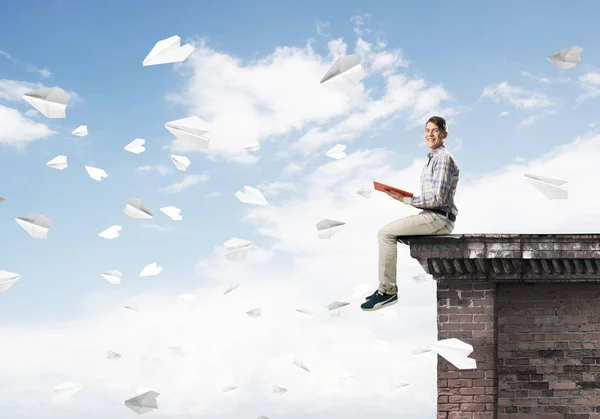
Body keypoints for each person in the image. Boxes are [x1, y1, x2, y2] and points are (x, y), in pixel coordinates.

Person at [361, 116, 459, 311]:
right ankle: (385, 288)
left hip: (439, 217)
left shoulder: (443, 158)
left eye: (435, 130)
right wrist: (403, 196)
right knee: (391, 233)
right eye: (427, 130)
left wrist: (405, 199)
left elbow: (437, 199)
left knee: (385, 234)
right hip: (432, 215)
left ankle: (387, 292)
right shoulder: (432, 158)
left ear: (444, 134)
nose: (430, 134)